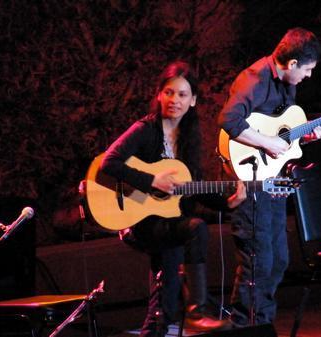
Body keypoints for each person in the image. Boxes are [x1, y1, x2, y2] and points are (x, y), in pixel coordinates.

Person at [100, 60, 246, 337]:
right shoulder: (145, 129)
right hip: (139, 221)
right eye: (169, 93)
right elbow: (109, 162)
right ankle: (197, 313)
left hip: (170, 221)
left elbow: (194, 188)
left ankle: (161, 326)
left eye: (182, 95)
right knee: (194, 229)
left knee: (165, 296)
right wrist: (152, 180)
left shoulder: (190, 137)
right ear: (158, 95)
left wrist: (228, 204)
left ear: (193, 101)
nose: (174, 100)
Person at [217, 27, 321, 327]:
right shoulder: (254, 79)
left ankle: (260, 324)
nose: (308, 76)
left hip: (271, 180)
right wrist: (267, 143)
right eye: (307, 70)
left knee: (278, 259)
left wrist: (303, 137)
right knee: (258, 260)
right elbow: (228, 119)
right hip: (249, 179)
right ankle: (245, 326)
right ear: (292, 64)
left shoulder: (286, 85)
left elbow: (280, 130)